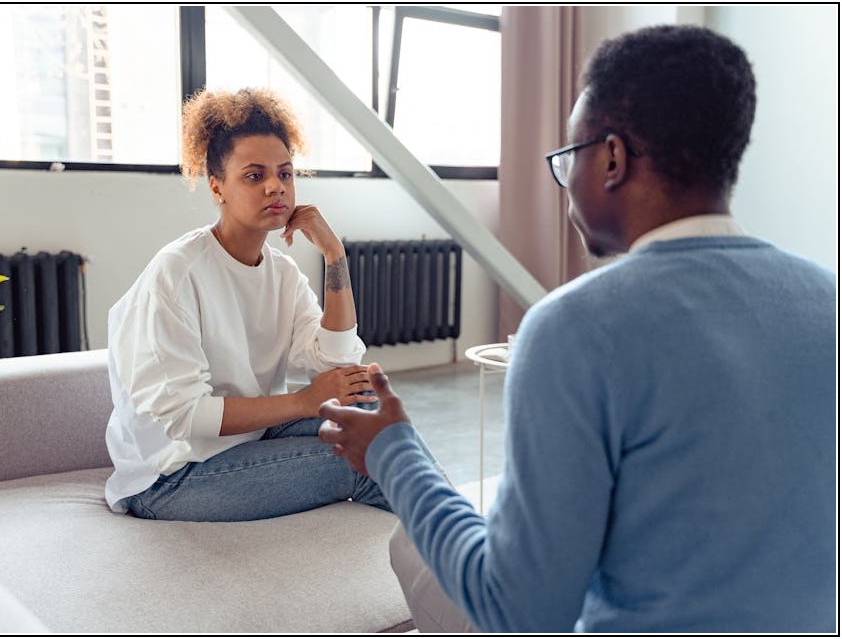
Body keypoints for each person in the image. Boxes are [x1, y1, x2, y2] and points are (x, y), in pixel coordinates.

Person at [319, 24, 837, 633]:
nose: (565, 185)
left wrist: (393, 451)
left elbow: (520, 613)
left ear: (612, 158)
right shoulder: (824, 297)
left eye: (568, 160)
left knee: (412, 545)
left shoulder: (575, 328)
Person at [103, 87, 391, 522]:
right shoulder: (177, 272)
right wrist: (303, 402)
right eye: (255, 176)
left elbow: (337, 360)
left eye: (286, 173)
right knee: (364, 461)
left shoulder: (281, 272)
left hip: (248, 441)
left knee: (375, 415)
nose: (276, 186)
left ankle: (479, 554)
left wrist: (335, 255)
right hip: (171, 476)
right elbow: (187, 416)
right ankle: (470, 567)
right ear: (217, 188)